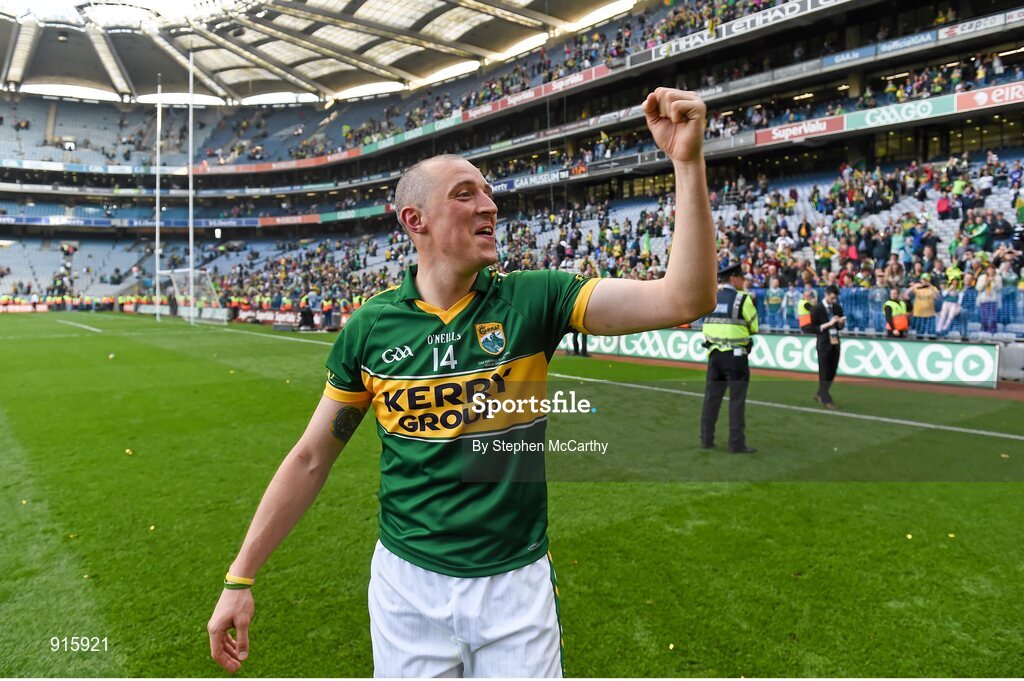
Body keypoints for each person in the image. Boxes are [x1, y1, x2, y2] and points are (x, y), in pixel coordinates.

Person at [207, 87, 717, 678]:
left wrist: (686, 162)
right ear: (414, 220)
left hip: (515, 587)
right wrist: (240, 577)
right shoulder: (371, 328)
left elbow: (685, 297)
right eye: (465, 193)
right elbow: (310, 458)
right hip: (406, 587)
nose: (489, 205)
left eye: (489, 191)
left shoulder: (536, 299)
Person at [699, 262, 759, 454]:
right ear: (733, 278)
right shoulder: (742, 299)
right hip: (736, 357)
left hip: (714, 355)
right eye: (741, 277)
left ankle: (706, 439)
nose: (743, 281)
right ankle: (736, 443)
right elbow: (754, 327)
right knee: (736, 400)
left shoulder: (711, 299)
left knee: (711, 399)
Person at [802, 284, 845, 409]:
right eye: (832, 298)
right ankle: (827, 400)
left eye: (835, 298)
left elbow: (839, 327)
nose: (834, 301)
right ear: (826, 295)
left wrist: (840, 324)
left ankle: (820, 394)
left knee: (832, 372)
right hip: (823, 343)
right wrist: (828, 324)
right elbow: (812, 328)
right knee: (824, 372)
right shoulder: (816, 309)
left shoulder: (837, 308)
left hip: (835, 342)